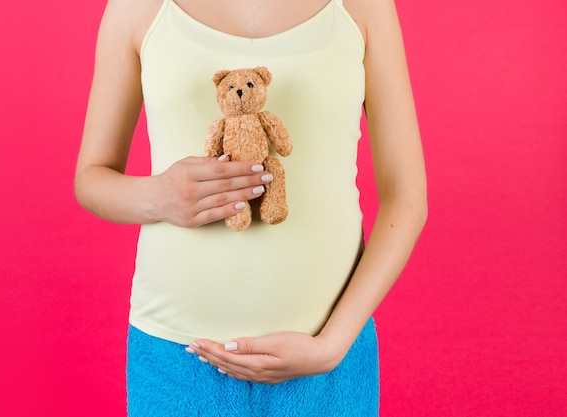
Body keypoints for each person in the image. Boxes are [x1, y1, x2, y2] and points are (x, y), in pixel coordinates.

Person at [75, 0, 427, 415]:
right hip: (177, 353)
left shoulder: (364, 8)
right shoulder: (137, 9)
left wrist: (333, 345)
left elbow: (406, 196)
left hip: (327, 354)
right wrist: (160, 196)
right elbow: (92, 177)